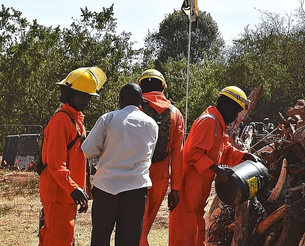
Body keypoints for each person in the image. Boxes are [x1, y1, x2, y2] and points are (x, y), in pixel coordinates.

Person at [170, 86, 258, 246]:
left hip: (199, 185)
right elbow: (192, 154)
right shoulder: (209, 121)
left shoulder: (217, 123)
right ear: (228, 105)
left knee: (196, 228)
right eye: (237, 110)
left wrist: (244, 156)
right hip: (190, 183)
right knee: (185, 231)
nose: (236, 115)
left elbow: (223, 152)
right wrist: (218, 170)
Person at [82, 83, 158, 246]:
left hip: (106, 187)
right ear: (141, 102)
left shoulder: (108, 118)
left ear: (121, 100)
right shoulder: (152, 124)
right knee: (129, 241)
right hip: (136, 190)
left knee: (100, 238)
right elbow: (148, 155)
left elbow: (88, 151)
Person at [39, 66, 106, 246]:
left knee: (55, 239)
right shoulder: (62, 121)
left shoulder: (75, 120)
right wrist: (73, 189)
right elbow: (55, 163)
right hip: (58, 193)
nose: (87, 101)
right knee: (58, 241)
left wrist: (79, 191)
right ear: (69, 95)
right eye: (83, 95)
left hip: (65, 194)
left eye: (89, 97)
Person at [136, 69, 185, 246]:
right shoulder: (176, 114)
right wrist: (176, 188)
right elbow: (178, 154)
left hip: (136, 174)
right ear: (163, 88)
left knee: (137, 225)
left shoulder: (135, 108)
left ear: (140, 87)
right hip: (161, 177)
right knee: (145, 225)